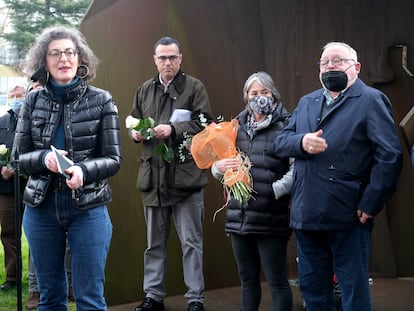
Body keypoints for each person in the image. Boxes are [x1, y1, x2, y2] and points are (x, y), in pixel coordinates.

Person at [274, 42, 402, 311]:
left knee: (353, 291)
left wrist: (370, 203)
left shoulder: (370, 100)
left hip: (348, 215)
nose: (330, 66)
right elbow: (280, 142)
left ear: (356, 68)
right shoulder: (307, 102)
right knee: (313, 291)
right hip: (307, 212)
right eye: (324, 62)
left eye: (337, 60)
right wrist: (301, 142)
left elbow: (389, 156)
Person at [13, 25, 122, 310]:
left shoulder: (102, 100)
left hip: (88, 208)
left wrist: (84, 171)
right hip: (41, 208)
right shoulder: (32, 101)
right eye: (55, 53)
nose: (64, 58)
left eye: (70, 52)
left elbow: (113, 159)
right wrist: (42, 160)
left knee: (89, 298)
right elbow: (18, 158)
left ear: (80, 58)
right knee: (49, 299)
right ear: (44, 61)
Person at [128, 36, 213, 311]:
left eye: (172, 57)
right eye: (162, 58)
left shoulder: (194, 86)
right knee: (153, 244)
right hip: (153, 178)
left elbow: (205, 123)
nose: (168, 62)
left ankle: (195, 299)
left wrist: (174, 130)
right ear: (155, 60)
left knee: (191, 243)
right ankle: (153, 296)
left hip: (186, 179)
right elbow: (134, 120)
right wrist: (135, 134)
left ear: (180, 59)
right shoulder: (143, 89)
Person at [211, 71, 293, 311]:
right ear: (246, 97)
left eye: (265, 92)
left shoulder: (287, 126)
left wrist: (276, 190)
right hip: (240, 218)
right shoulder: (234, 128)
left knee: (277, 280)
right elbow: (221, 167)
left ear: (274, 95)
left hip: (271, 217)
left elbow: (296, 168)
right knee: (247, 280)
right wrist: (218, 168)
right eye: (254, 93)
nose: (260, 98)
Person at [0, 84, 26, 291]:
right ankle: (12, 277)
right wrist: (3, 168)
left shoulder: (34, 121)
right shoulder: (1, 122)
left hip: (32, 186)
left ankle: (39, 281)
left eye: (20, 96)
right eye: (13, 96)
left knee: (40, 234)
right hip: (7, 189)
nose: (16, 99)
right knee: (9, 233)